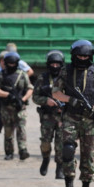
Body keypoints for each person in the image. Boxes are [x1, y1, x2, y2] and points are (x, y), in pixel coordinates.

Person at [52, 40, 94, 187]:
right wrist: (70, 100)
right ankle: (69, 186)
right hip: (71, 117)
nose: (83, 59)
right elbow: (55, 92)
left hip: (90, 120)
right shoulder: (66, 71)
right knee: (68, 150)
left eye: (86, 56)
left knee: (88, 153)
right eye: (79, 56)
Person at [0, 52, 33, 160]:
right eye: (9, 63)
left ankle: (23, 150)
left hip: (20, 107)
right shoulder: (1, 75)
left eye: (13, 63)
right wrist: (8, 95)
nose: (11, 65)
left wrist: (22, 99)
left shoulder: (22, 74)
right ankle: (9, 152)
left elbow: (30, 88)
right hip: (6, 108)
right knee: (8, 131)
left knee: (21, 129)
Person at [32, 50, 65, 179]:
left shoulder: (66, 78)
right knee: (45, 142)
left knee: (61, 143)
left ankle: (59, 168)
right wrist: (46, 101)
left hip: (62, 116)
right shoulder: (42, 78)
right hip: (47, 116)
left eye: (57, 64)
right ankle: (45, 159)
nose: (55, 67)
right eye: (53, 64)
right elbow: (35, 97)